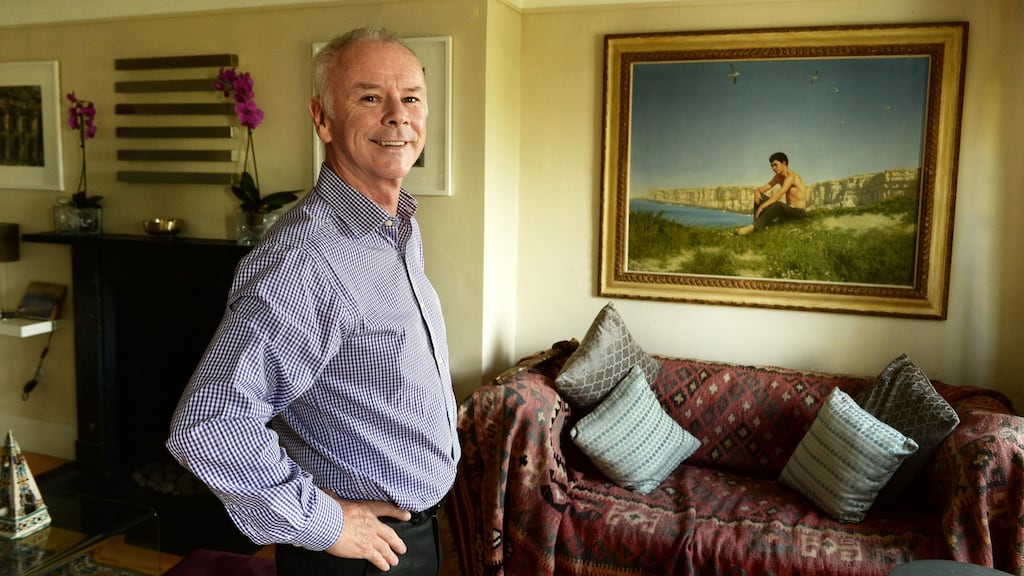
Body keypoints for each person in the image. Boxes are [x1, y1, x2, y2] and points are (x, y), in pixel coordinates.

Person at [166, 27, 460, 576]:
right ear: (322, 118)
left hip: (411, 532)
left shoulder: (396, 230)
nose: (398, 115)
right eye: (370, 97)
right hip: (358, 554)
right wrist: (327, 522)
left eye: (412, 98)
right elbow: (209, 423)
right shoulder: (304, 261)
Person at [736, 152, 807, 235]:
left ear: (784, 163)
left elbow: (779, 194)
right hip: (787, 212)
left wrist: (762, 206)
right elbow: (764, 188)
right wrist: (757, 191)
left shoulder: (791, 177)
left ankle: (752, 227)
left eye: (775, 165)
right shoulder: (778, 177)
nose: (773, 168)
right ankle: (759, 224)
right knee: (760, 197)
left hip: (798, 213)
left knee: (777, 205)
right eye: (772, 166)